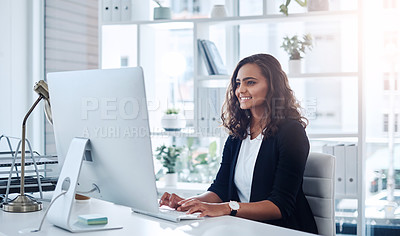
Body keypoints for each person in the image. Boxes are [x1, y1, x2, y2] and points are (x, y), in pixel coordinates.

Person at [159, 53, 318, 234]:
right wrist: (188, 203)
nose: (240, 90)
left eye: (250, 82)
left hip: (283, 230)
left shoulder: (291, 132)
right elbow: (220, 189)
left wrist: (228, 207)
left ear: (273, 86)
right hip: (243, 228)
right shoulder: (238, 134)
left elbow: (280, 206)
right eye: (238, 83)